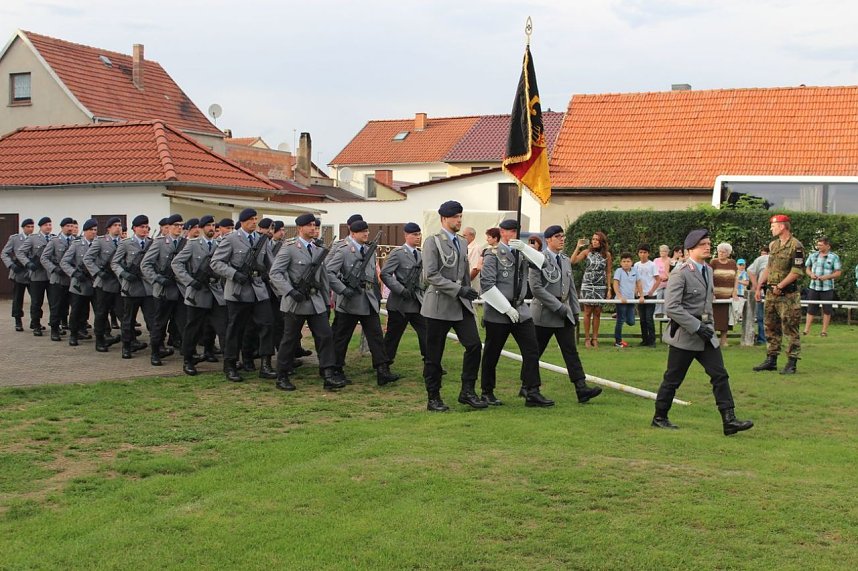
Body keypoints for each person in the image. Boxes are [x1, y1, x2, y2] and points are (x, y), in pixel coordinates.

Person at [652, 228, 754, 436]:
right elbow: (672, 307)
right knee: (673, 378)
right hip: (686, 335)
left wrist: (707, 328)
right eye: (703, 245)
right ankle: (660, 417)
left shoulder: (707, 270)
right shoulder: (680, 273)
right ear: (690, 249)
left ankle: (729, 419)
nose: (708, 247)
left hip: (706, 334)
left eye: (709, 244)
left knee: (719, 375)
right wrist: (697, 327)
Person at [479, 219, 554, 407]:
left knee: (532, 350)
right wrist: (506, 308)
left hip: (520, 309)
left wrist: (526, 249)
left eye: (516, 231)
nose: (513, 234)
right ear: (502, 232)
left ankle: (531, 390)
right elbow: (487, 286)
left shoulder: (521, 252)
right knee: (492, 353)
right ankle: (487, 391)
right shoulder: (492, 254)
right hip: (498, 310)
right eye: (510, 231)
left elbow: (543, 264)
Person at [268, 213, 346, 391]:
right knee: (290, 339)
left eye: (315, 226)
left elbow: (324, 278)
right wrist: (289, 291)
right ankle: (282, 375)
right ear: (300, 228)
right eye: (310, 226)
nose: (314, 229)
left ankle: (328, 374)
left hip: (316, 301)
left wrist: (327, 302)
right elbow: (275, 273)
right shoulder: (289, 248)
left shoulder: (318, 249)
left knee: (325, 336)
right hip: (296, 302)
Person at [420, 200, 485, 412]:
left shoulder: (461, 242)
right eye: (455, 217)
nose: (458, 220)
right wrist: (459, 290)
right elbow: (430, 275)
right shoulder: (433, 241)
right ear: (444, 219)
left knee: (474, 345)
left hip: (460, 304)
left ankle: (467, 391)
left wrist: (468, 290)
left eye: (460, 217)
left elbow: (462, 271)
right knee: (434, 354)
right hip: (439, 304)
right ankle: (433, 396)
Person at [528, 225, 602, 403]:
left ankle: (581, 388)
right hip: (545, 314)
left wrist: (575, 311)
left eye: (562, 236)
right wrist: (557, 307)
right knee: (534, 354)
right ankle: (530, 389)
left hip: (564, 313)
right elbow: (536, 288)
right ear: (548, 240)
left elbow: (571, 289)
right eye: (557, 236)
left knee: (571, 352)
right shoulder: (538, 258)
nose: (561, 239)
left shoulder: (565, 259)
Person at [326, 218, 399, 386]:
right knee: (341, 337)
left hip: (368, 299)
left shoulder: (370, 250)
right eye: (362, 232)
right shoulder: (344, 250)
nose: (366, 234)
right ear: (353, 233)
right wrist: (343, 289)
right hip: (350, 301)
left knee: (376, 336)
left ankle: (382, 370)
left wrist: (377, 295)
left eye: (367, 231)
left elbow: (373, 276)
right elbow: (329, 272)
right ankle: (336, 369)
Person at [210, 208, 276, 382]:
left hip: (259, 291)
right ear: (243, 221)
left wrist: (271, 277)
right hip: (238, 292)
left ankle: (265, 364)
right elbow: (216, 262)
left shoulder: (263, 240)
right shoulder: (231, 239)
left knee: (267, 325)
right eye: (251, 219)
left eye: (256, 219)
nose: (255, 222)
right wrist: (233, 274)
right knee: (235, 329)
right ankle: (230, 365)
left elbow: (272, 264)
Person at [171, 215, 228, 376]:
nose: (211, 228)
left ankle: (229, 362)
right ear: (201, 228)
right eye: (208, 225)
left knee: (223, 328)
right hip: (197, 293)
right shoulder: (193, 245)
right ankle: (188, 360)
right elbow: (176, 263)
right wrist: (189, 281)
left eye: (213, 225)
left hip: (216, 293)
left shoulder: (220, 245)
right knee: (193, 329)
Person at [754, 214, 804, 375]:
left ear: (782, 226)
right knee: (770, 326)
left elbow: (797, 271)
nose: (771, 228)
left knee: (790, 327)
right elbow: (769, 267)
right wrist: (759, 285)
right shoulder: (773, 245)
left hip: (788, 295)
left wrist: (781, 285)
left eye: (773, 226)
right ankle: (771, 359)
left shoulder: (796, 246)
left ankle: (792, 362)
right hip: (771, 294)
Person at [141, 214, 188, 367]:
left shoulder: (186, 243)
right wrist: (156, 278)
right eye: (176, 225)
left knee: (183, 323)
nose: (179, 228)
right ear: (168, 227)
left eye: (181, 225)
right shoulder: (160, 243)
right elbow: (145, 264)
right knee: (159, 323)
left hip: (180, 289)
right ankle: (155, 352)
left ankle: (188, 354)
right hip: (164, 290)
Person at [381, 222, 428, 368]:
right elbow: (385, 274)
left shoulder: (421, 255)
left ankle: (430, 362)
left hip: (416, 302)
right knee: (393, 336)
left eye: (419, 234)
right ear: (406, 235)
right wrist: (400, 289)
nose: (418, 237)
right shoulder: (398, 253)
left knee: (426, 333)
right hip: (399, 304)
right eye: (414, 234)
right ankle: (384, 365)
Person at [111, 215, 154, 359]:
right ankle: (127, 347)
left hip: (148, 288)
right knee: (128, 320)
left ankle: (156, 348)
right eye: (141, 227)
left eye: (146, 227)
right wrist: (124, 274)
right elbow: (115, 263)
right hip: (131, 288)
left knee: (152, 320)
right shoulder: (125, 243)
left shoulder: (152, 243)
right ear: (134, 228)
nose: (144, 229)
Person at [83, 216, 123, 352]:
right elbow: (88, 259)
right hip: (104, 284)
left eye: (120, 225)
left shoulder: (124, 242)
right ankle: (100, 340)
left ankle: (129, 339)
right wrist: (97, 273)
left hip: (119, 283)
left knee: (123, 313)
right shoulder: (100, 241)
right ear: (109, 228)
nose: (118, 227)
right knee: (101, 313)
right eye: (115, 225)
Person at [572, 231, 612, 348]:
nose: (594, 241)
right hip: (588, 285)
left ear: (601, 242)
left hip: (600, 285)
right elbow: (573, 261)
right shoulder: (586, 252)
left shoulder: (607, 255)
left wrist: (609, 288)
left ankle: (595, 338)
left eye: (597, 239)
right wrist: (578, 247)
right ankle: (587, 338)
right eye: (593, 239)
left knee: (598, 313)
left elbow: (608, 272)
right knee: (587, 312)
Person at [60, 219, 97, 346]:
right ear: (85, 231)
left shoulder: (98, 244)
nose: (93, 232)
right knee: (76, 310)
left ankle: (101, 334)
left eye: (95, 230)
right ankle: (73, 334)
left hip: (95, 283)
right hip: (79, 284)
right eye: (91, 230)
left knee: (98, 310)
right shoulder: (77, 244)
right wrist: (74, 273)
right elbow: (64, 262)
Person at [40, 217, 76, 340]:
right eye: (68, 226)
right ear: (62, 227)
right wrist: (54, 269)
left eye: (72, 226)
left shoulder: (75, 241)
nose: (70, 228)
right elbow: (44, 258)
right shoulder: (54, 241)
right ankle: (54, 330)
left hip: (71, 279)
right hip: (58, 279)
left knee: (73, 306)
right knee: (56, 306)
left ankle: (75, 329)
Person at [18, 216, 54, 336]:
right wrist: (28, 263)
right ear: (41, 227)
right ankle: (36, 325)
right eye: (46, 225)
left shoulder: (54, 238)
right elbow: (20, 252)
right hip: (37, 275)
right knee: (36, 302)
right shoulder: (33, 239)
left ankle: (54, 325)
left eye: (50, 224)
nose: (48, 227)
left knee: (54, 301)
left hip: (51, 275)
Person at [803, 236, 841, 337]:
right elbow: (807, 268)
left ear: (827, 246)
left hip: (827, 287)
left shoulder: (834, 257)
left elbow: (838, 273)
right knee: (811, 308)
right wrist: (811, 274)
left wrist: (827, 277)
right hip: (814, 286)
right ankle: (806, 330)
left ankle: (824, 331)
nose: (818, 247)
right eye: (818, 245)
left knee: (827, 310)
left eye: (821, 245)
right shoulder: (813, 255)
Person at [2, 218, 35, 332]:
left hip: (32, 273)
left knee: (36, 299)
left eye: (32, 227)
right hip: (19, 272)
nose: (30, 229)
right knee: (18, 299)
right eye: (28, 227)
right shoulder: (15, 239)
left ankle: (35, 321)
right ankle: (18, 321)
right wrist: (11, 265)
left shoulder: (35, 239)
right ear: (23, 228)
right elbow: (4, 253)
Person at [709, 242, 738, 347]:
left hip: (728, 295)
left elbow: (736, 277)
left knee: (726, 319)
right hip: (716, 295)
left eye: (723, 252)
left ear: (728, 253)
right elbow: (709, 278)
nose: (721, 253)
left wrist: (735, 291)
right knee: (714, 318)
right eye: (719, 251)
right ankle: (714, 340)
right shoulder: (713, 262)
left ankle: (724, 341)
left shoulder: (732, 263)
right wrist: (711, 292)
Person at [634, 244, 660, 347]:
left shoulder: (652, 265)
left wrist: (651, 290)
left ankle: (652, 340)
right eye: (641, 252)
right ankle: (644, 340)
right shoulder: (636, 265)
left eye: (645, 252)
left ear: (648, 253)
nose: (643, 254)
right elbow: (635, 279)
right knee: (642, 319)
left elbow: (658, 279)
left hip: (651, 295)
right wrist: (636, 290)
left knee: (649, 318)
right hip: (641, 294)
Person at [612, 252, 640, 348]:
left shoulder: (635, 271)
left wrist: (641, 296)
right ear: (620, 263)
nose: (626, 263)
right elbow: (615, 284)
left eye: (628, 261)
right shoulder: (618, 271)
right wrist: (619, 296)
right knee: (620, 321)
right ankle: (618, 341)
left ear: (632, 262)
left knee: (631, 322)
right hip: (621, 301)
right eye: (624, 261)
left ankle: (619, 315)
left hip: (631, 300)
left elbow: (639, 283)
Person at [747, 245, 770, 345]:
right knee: (761, 315)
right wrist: (757, 286)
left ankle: (769, 339)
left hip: (776, 288)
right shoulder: (762, 259)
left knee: (770, 316)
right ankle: (763, 339)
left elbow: (750, 270)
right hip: (763, 287)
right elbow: (750, 270)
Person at [654, 244, 671, 316]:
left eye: (664, 251)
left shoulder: (670, 260)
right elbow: (653, 271)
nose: (662, 253)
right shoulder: (656, 260)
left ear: (667, 252)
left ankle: (666, 314)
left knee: (667, 298)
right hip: (658, 282)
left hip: (668, 282)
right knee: (658, 297)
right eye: (661, 251)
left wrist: (667, 277)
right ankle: (657, 313)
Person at [463, 226, 482, 293]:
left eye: (464, 235)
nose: (462, 237)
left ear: (472, 236)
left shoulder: (475, 248)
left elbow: (475, 269)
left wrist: (467, 282)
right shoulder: (467, 247)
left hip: (471, 283)